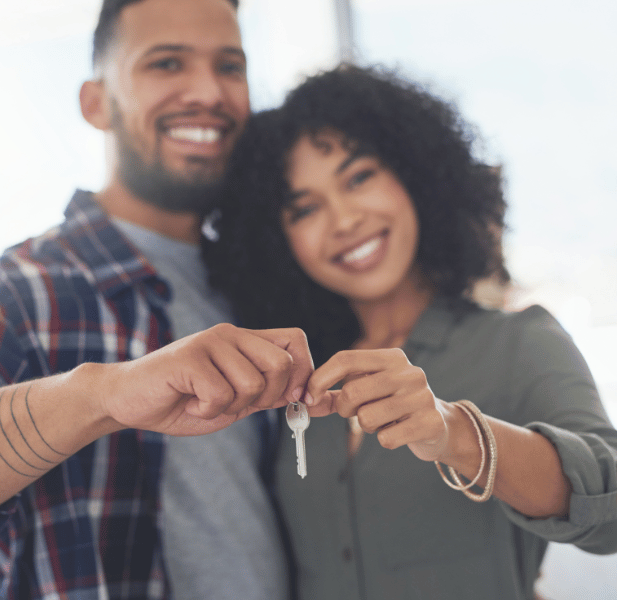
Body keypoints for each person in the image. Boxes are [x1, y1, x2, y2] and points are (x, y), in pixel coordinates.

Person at [0, 0, 308, 598]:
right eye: (166, 63)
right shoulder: (28, 287)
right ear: (95, 104)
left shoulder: (254, 280)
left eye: (230, 66)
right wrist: (103, 394)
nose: (208, 91)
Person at [206, 63, 617, 599]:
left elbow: (609, 507)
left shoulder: (518, 343)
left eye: (359, 177)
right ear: (277, 240)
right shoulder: (295, 381)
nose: (344, 219)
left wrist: (453, 433)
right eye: (305, 209)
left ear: (415, 176)